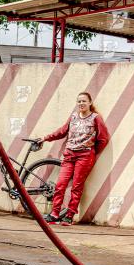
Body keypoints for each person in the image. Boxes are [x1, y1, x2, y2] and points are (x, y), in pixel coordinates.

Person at [36, 91, 110, 226]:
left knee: (76, 186)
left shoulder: (96, 118)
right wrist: (46, 138)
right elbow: (62, 131)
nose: (81, 103)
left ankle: (69, 215)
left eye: (84, 101)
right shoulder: (74, 117)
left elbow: (103, 138)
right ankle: (54, 214)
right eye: (79, 101)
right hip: (69, 155)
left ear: (90, 103)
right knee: (60, 185)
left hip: (85, 157)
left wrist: (92, 152)